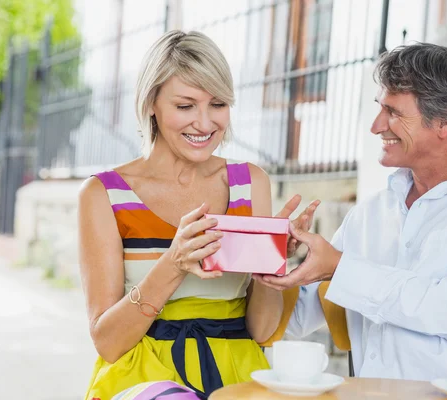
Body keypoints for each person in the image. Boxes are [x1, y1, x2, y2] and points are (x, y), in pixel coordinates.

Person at [255, 43, 447, 397]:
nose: (376, 126)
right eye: (379, 109)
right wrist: (273, 255)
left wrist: (341, 268)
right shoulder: (369, 215)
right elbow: (294, 322)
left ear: (446, 120)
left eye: (393, 112)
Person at [78, 30, 318, 400]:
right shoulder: (105, 194)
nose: (205, 124)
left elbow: (261, 329)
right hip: (143, 376)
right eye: (186, 106)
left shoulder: (249, 183)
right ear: (152, 104)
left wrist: (273, 263)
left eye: (218, 104)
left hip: (238, 373)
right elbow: (108, 343)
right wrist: (173, 263)